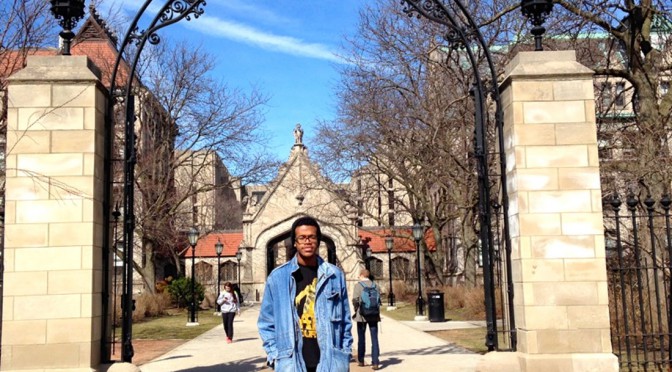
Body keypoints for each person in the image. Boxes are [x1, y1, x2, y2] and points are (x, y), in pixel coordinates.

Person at [258, 216, 353, 372]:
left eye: (312, 237)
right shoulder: (278, 278)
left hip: (330, 363)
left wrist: (344, 354)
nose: (307, 241)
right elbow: (266, 322)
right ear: (294, 242)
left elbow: (345, 321)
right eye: (302, 238)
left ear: (318, 240)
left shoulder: (335, 275)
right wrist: (274, 356)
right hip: (291, 364)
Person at [352, 268, 381, 370]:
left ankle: (361, 360)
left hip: (362, 316)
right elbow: (379, 301)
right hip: (374, 315)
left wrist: (356, 309)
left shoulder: (358, 286)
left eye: (359, 275)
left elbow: (355, 300)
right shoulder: (376, 286)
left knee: (361, 338)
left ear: (362, 275)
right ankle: (375, 362)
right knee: (374, 339)